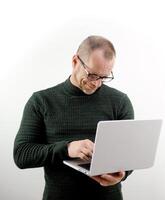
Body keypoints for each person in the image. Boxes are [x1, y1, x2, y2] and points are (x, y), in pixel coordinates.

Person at [13, 35, 134, 200]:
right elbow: (22, 155)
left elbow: (129, 154)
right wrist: (67, 149)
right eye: (92, 75)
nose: (97, 83)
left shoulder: (120, 101)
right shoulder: (41, 101)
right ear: (75, 61)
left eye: (104, 77)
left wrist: (123, 173)